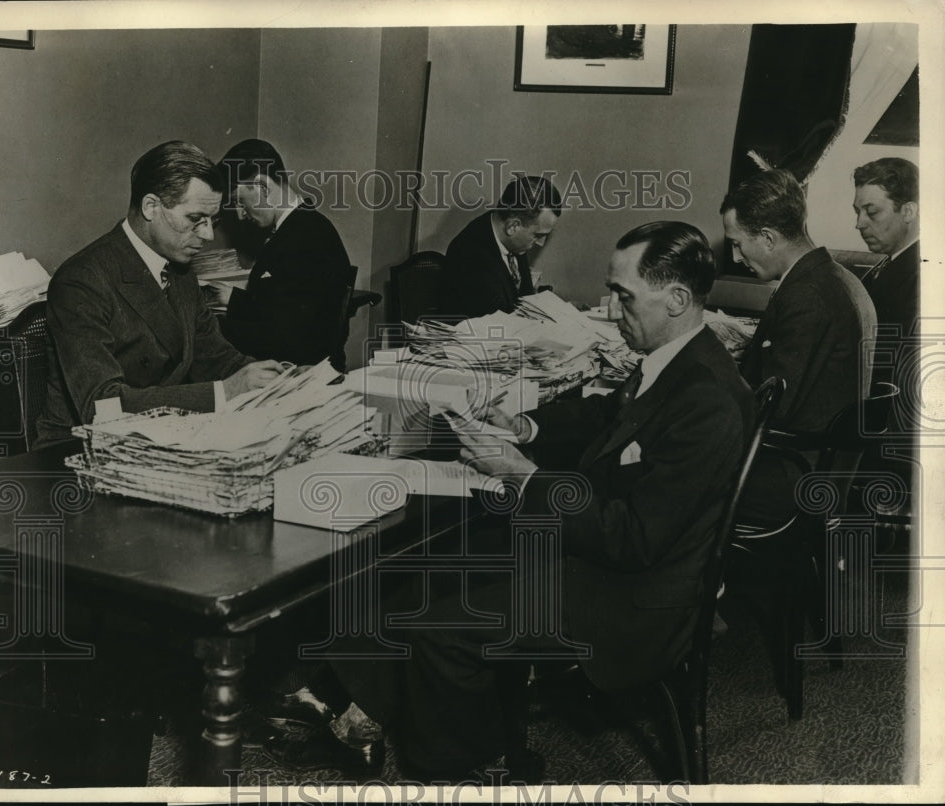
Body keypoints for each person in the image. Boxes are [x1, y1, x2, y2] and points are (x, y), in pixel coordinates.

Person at [262, 221, 754, 782]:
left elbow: (635, 538)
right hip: (606, 551)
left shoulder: (707, 400)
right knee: (429, 561)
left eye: (624, 296)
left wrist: (523, 478)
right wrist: (522, 426)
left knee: (444, 623)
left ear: (678, 298)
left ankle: (466, 768)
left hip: (637, 596)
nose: (614, 312)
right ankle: (357, 714)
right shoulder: (680, 359)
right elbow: (607, 419)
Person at [34, 141, 283, 448]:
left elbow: (215, 357)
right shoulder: (82, 281)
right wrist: (225, 392)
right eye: (195, 220)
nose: (207, 236)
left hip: (161, 437)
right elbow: (102, 404)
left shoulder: (180, 272)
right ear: (151, 207)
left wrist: (278, 380)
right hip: (79, 451)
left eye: (212, 222)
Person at [720, 168, 877, 436]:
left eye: (737, 244)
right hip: (816, 452)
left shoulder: (807, 296)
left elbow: (770, 408)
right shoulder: (837, 278)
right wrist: (752, 353)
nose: (736, 257)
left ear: (768, 239)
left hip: (787, 462)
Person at [213, 138, 354, 367]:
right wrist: (231, 298)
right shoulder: (302, 226)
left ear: (263, 187)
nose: (240, 214)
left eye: (239, 201)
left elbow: (286, 339)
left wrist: (210, 327)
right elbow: (282, 309)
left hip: (301, 374)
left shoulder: (305, 238)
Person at [437, 175, 562, 320]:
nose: (540, 243)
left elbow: (526, 300)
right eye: (538, 235)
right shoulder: (470, 255)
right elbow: (499, 324)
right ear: (512, 226)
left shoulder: (512, 240)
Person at [852, 157, 920, 375]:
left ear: (908, 211)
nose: (859, 223)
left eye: (872, 212)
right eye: (858, 212)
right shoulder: (893, 261)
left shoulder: (921, 278)